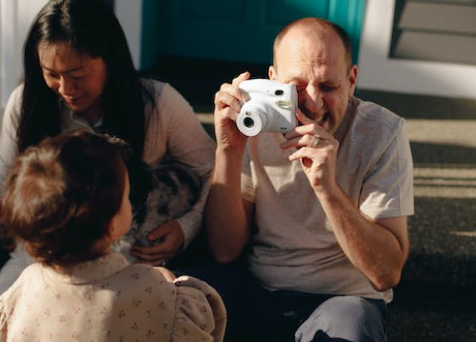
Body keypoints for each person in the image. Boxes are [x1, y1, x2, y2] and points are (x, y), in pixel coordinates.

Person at [202, 17, 414, 342]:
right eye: (296, 87)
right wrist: (229, 151)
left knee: (353, 324)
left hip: (342, 299)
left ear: (352, 80)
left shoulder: (382, 133)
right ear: (273, 79)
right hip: (259, 288)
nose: (313, 103)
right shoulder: (254, 122)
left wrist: (326, 188)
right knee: (185, 297)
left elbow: (386, 274)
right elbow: (225, 250)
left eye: (328, 87)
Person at [0, 0, 215, 293]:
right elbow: (6, 185)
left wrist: (186, 228)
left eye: (78, 75)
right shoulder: (26, 103)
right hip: (43, 260)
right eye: (51, 74)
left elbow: (212, 171)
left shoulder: (159, 103)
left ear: (110, 60)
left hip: (130, 261)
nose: (66, 89)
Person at [0, 130, 226, 342]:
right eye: (126, 197)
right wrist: (169, 283)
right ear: (112, 226)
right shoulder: (160, 295)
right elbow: (206, 328)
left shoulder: (21, 291)